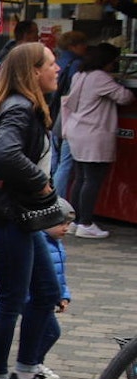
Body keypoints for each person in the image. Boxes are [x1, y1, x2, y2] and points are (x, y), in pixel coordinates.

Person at [0, 41, 72, 379]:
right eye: (50, 62)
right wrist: (41, 184)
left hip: (18, 219)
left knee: (45, 293)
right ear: (32, 71)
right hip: (3, 219)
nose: (57, 68)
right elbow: (7, 153)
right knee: (11, 299)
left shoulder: (25, 107)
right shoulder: (19, 108)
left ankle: (26, 373)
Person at [59, 43, 130, 240]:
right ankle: (86, 223)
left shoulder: (80, 75)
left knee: (80, 177)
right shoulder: (100, 77)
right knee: (93, 179)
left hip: (77, 130)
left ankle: (75, 220)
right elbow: (124, 97)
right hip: (94, 133)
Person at [51, 29, 88, 199]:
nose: (86, 47)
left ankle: (51, 198)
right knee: (65, 163)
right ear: (74, 46)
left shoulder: (58, 61)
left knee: (55, 159)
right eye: (83, 44)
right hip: (69, 116)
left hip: (56, 113)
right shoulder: (76, 64)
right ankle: (58, 202)